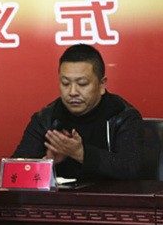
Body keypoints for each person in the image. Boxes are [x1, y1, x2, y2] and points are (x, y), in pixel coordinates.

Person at [11, 43, 143, 181]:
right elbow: (14, 173)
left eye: (82, 84)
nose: (72, 92)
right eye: (65, 83)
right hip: (61, 195)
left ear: (102, 84)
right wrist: (46, 162)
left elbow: (131, 168)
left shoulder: (123, 116)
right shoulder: (46, 119)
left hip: (110, 195)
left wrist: (81, 153)